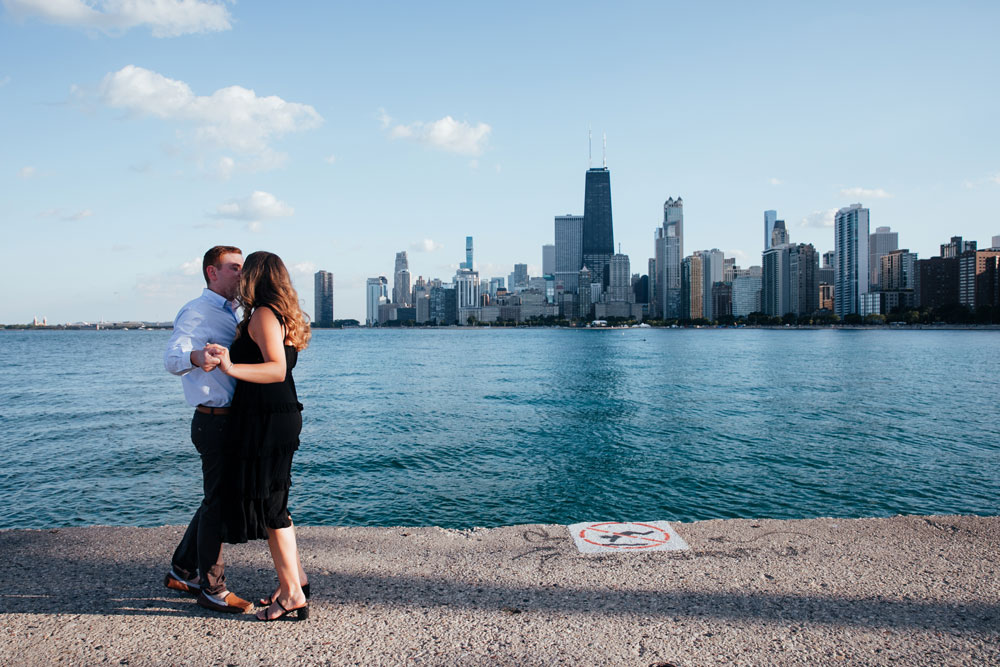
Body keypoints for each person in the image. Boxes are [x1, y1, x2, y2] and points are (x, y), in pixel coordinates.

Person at [206, 251, 311, 621]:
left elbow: (276, 369)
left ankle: (294, 593)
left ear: (255, 276)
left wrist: (231, 365)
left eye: (243, 271)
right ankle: (294, 581)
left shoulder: (266, 314)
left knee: (272, 508)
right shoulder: (271, 314)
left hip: (268, 418)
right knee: (276, 503)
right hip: (273, 416)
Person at [163, 245, 253, 614]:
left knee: (217, 498)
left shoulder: (235, 311)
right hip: (213, 421)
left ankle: (183, 570)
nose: (241, 275)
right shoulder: (197, 311)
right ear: (212, 272)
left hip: (230, 421)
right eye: (234, 268)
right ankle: (212, 588)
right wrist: (196, 357)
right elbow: (171, 357)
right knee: (218, 503)